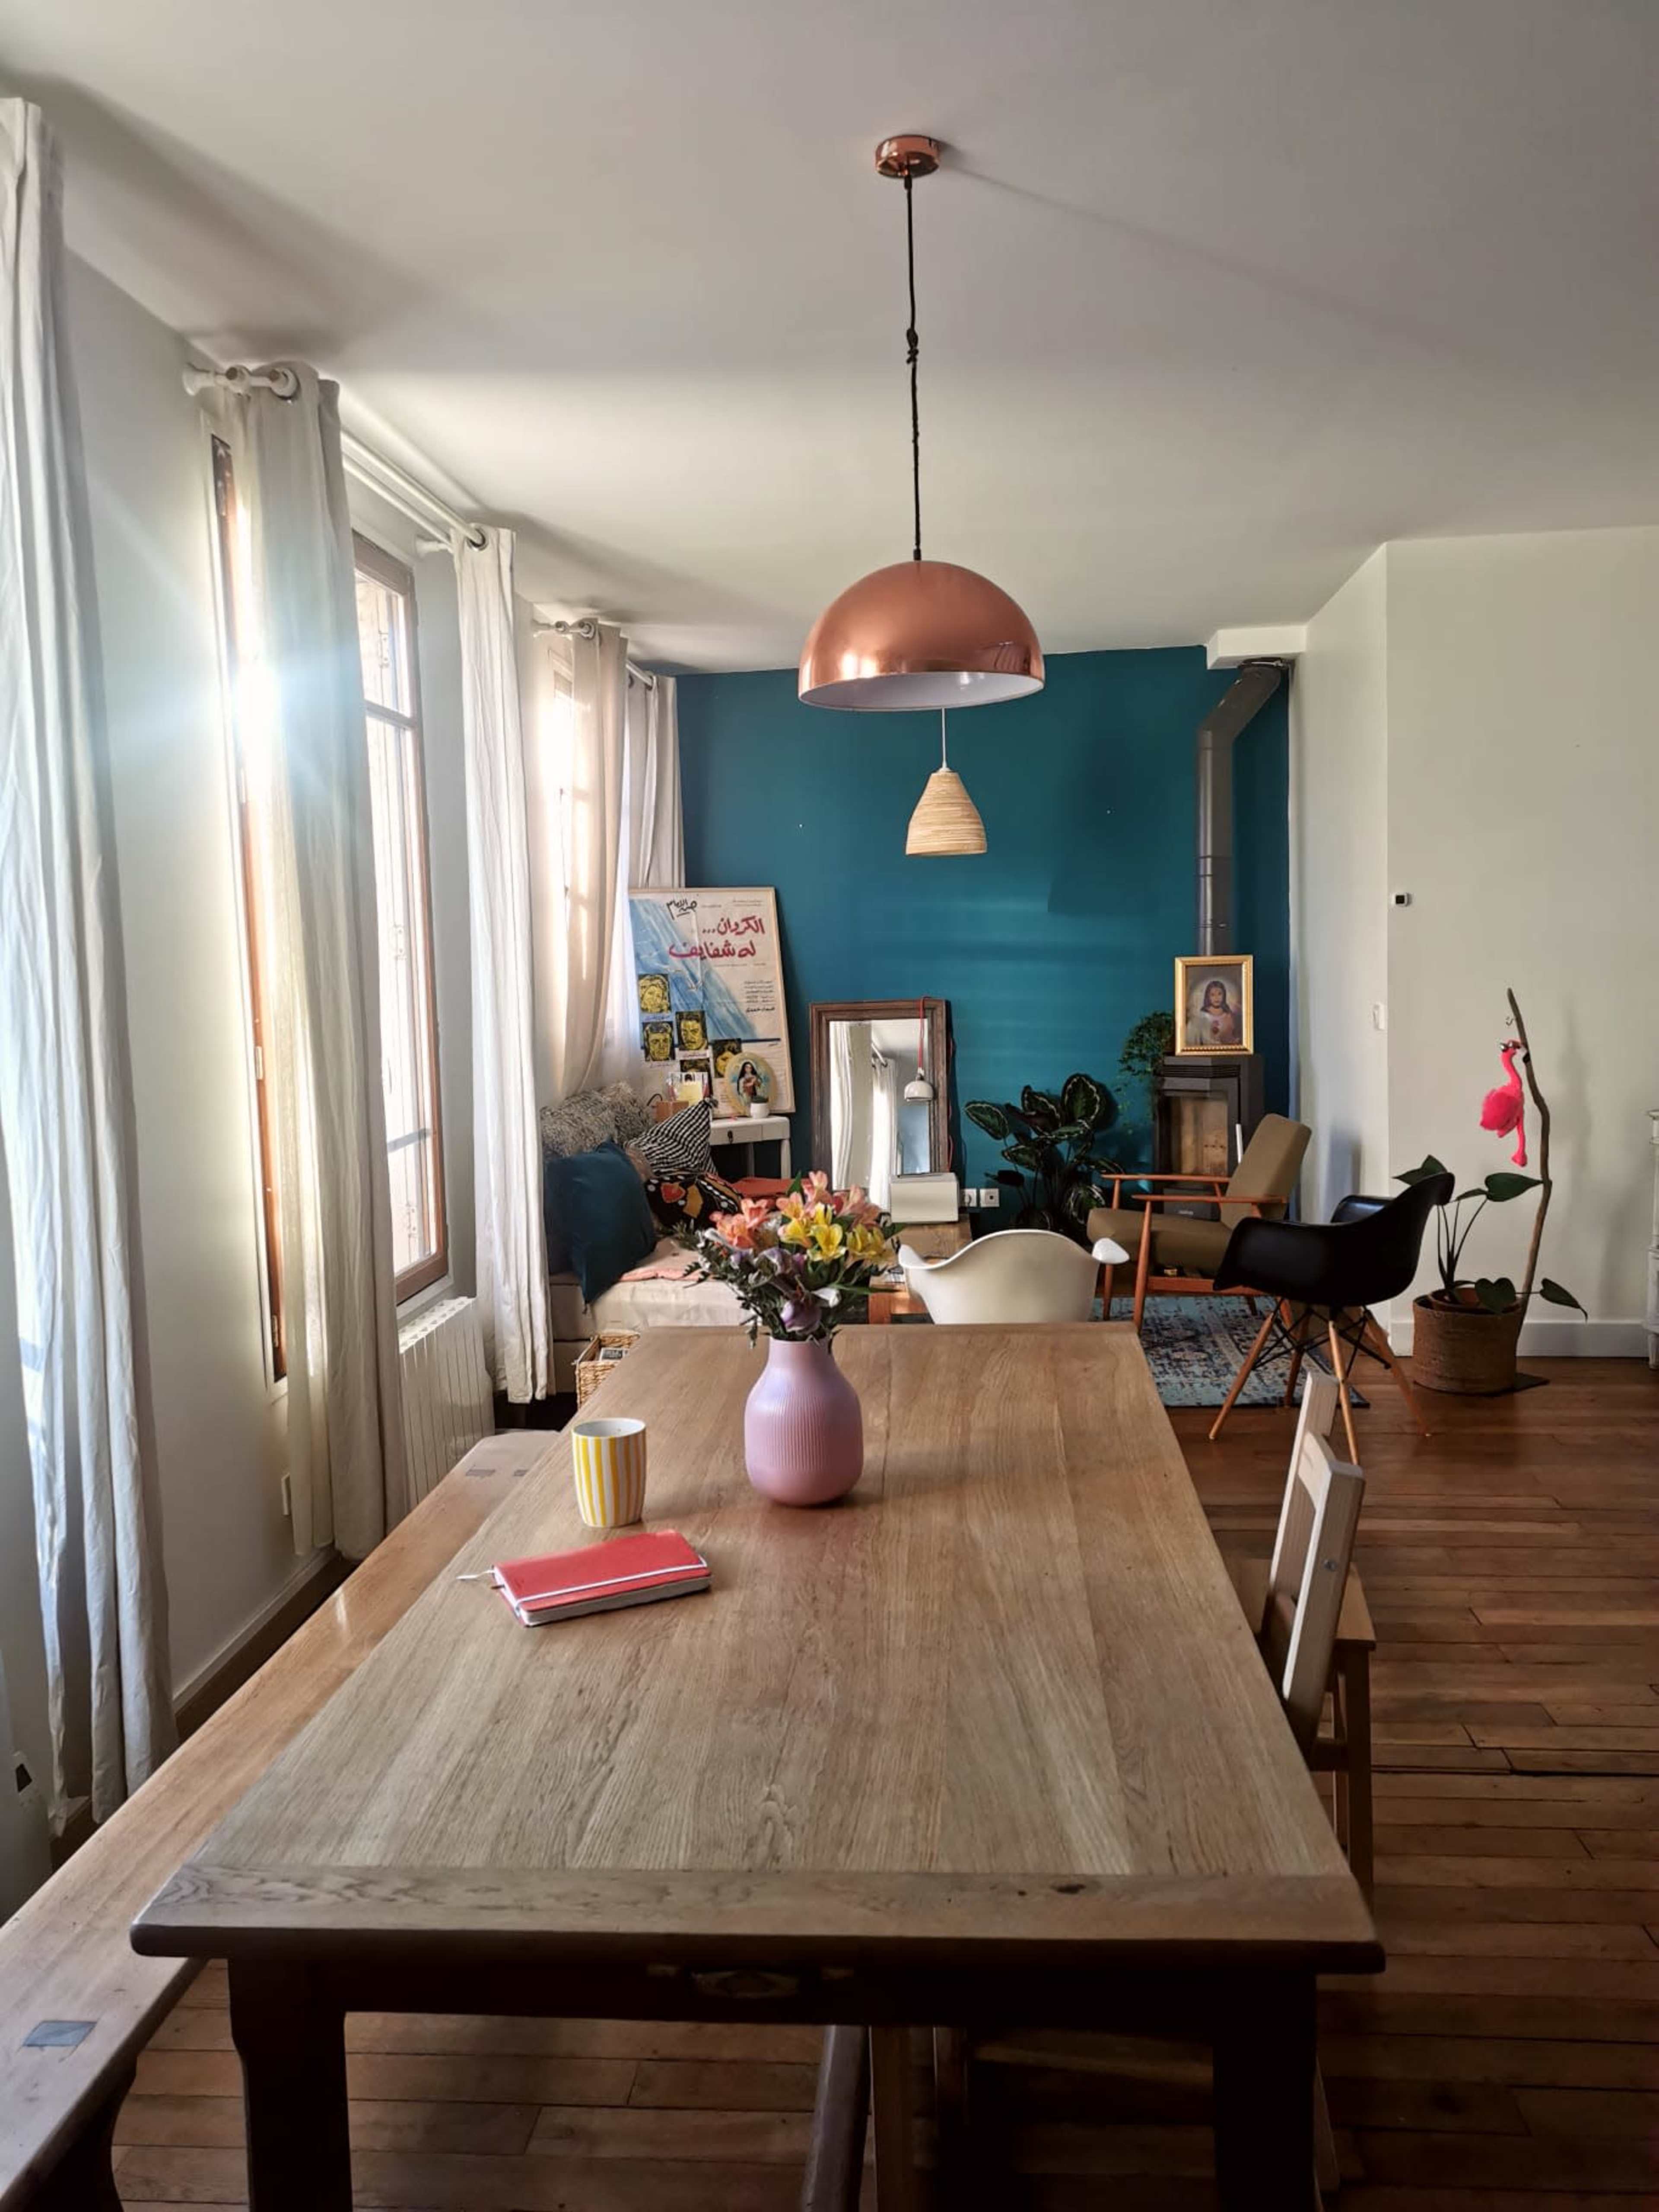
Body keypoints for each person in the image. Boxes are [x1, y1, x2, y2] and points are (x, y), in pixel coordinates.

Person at [1189, 976, 1240, 1048]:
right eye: (1213, 995)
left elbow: (1233, 1036)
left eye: (1220, 994)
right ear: (1208, 997)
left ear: (1224, 995)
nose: (1217, 998)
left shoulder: (1228, 1015)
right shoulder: (1202, 1015)